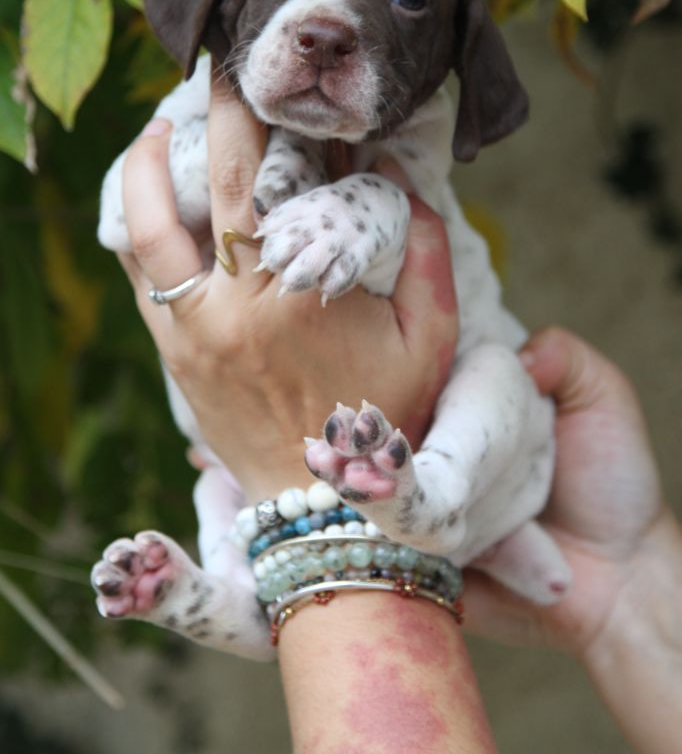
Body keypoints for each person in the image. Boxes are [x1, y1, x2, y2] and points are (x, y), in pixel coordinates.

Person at [116, 72, 682, 753]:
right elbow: (117, 215)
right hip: (345, 480)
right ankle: (232, 599)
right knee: (214, 485)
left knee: (496, 372)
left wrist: (315, 524)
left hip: (470, 466)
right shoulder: (205, 94)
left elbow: (401, 209)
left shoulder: (414, 117)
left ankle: (430, 496)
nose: (324, 34)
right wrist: (623, 574)